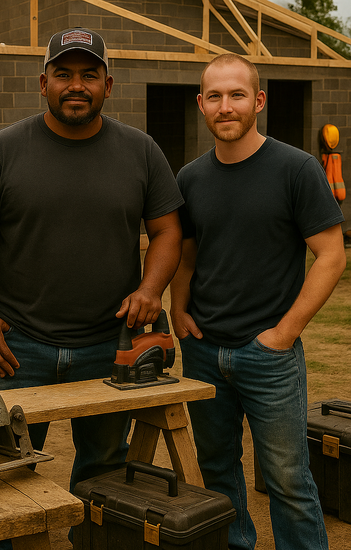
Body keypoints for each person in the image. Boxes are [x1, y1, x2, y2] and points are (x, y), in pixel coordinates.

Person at [0, 27, 183, 548]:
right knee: (1, 474)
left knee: (102, 471)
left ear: (109, 84)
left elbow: (168, 231)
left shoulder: (141, 151)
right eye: (63, 74)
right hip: (18, 348)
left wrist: (151, 289)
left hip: (110, 347)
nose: (75, 85)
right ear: (43, 83)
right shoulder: (2, 150)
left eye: (88, 74)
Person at [170, 53, 346, 550]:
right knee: (216, 470)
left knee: (289, 480)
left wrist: (284, 334)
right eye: (216, 97)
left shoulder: (297, 169)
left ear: (258, 102)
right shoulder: (190, 178)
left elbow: (331, 257)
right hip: (203, 352)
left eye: (238, 95)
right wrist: (179, 311)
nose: (226, 106)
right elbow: (187, 259)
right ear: (202, 104)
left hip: (269, 356)